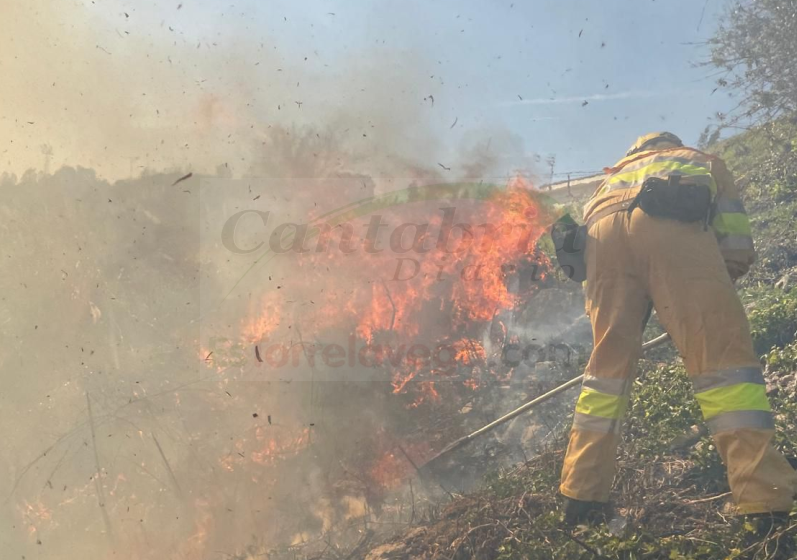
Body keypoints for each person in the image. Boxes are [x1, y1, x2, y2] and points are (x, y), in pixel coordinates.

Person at [559, 132, 797, 526]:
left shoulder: (607, 182)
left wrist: (645, 305)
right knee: (724, 366)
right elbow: (736, 245)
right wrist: (701, 302)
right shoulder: (701, 160)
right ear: (670, 144)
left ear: (636, 150)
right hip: (673, 232)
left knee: (605, 375)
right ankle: (763, 497)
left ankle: (580, 494)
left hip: (602, 243)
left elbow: (596, 272)